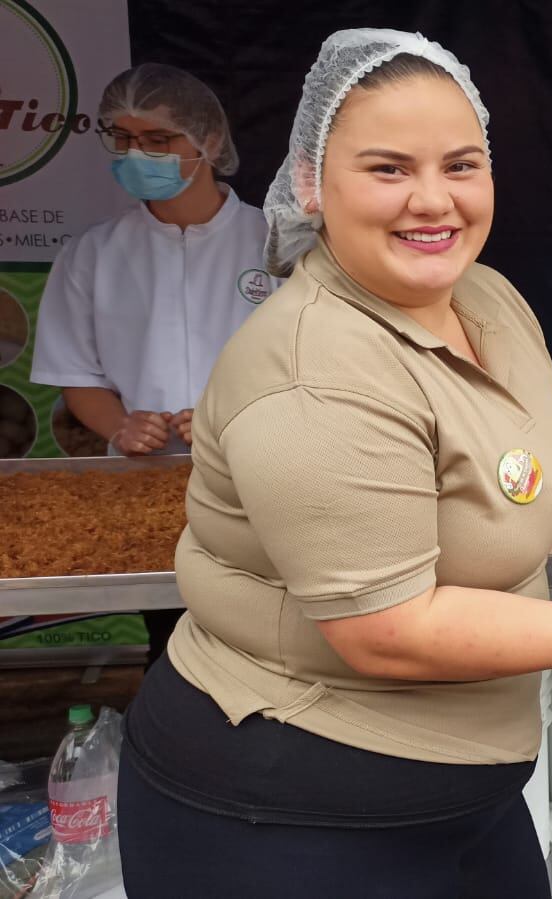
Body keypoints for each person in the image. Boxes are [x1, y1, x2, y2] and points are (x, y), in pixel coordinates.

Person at [114, 31, 552, 897]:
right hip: (293, 807)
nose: (434, 201)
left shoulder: (483, 297)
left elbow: (518, 445)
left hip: (464, 794)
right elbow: (388, 629)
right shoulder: (319, 370)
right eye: (389, 168)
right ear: (312, 181)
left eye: (461, 165)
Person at [30, 63, 272, 669]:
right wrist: (119, 427)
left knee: (267, 637)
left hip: (262, 484)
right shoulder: (92, 254)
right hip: (148, 487)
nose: (138, 154)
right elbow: (77, 375)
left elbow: (318, 362)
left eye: (159, 141)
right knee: (171, 649)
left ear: (209, 143)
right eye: (124, 139)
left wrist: (235, 420)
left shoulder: (277, 244)